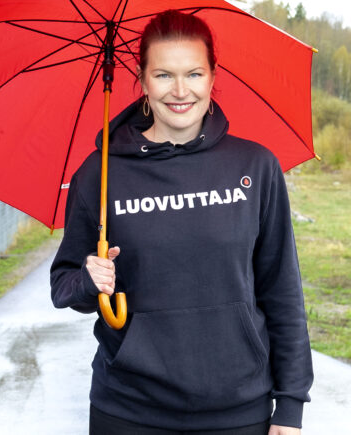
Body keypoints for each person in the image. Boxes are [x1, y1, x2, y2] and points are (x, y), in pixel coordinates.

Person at [50, 9, 313, 435]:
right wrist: (88, 279)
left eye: (193, 74)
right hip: (129, 411)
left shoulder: (255, 167)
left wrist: (291, 406)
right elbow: (64, 285)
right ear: (141, 79)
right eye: (163, 75)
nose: (179, 91)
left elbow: (282, 291)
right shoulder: (100, 175)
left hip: (238, 411)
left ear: (212, 77)